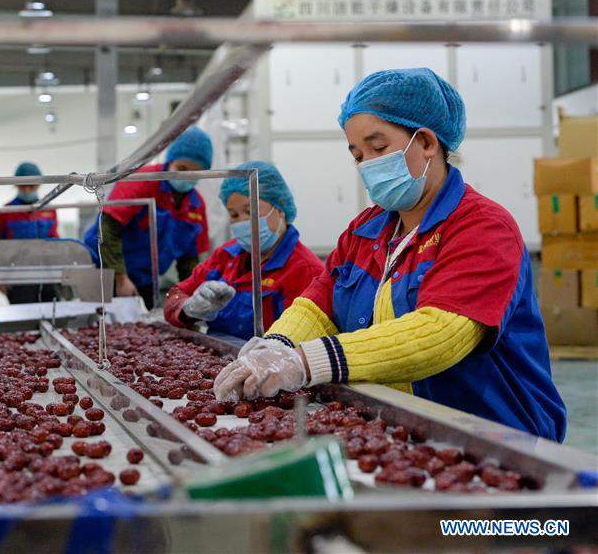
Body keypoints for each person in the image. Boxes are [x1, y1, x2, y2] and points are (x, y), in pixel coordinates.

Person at [214, 68, 566, 441]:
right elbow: (317, 306)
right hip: (406, 429)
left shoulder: (484, 228)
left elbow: (440, 334)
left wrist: (305, 361)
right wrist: (275, 345)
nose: (367, 164)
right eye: (357, 154)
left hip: (494, 435)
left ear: (427, 141)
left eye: (378, 148)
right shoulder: (366, 231)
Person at [164, 161, 324, 340]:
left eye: (250, 210)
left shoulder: (306, 271)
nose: (243, 222)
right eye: (234, 215)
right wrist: (189, 308)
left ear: (280, 210)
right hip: (215, 357)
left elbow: (303, 342)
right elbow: (175, 294)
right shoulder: (226, 255)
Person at [84, 127, 212, 308]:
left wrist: (190, 298)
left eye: (195, 173)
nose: (186, 176)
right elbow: (107, 230)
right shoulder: (142, 181)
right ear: (170, 161)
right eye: (182, 168)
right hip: (104, 271)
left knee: (139, 328)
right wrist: (120, 277)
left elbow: (189, 259)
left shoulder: (195, 205)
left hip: (145, 280)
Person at [0, 161, 60, 303]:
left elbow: (55, 240)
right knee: (23, 317)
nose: (27, 190)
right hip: (17, 277)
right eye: (23, 185)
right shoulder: (6, 211)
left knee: (54, 315)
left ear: (39, 185)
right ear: (16, 185)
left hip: (47, 274)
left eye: (31, 186)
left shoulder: (49, 210)